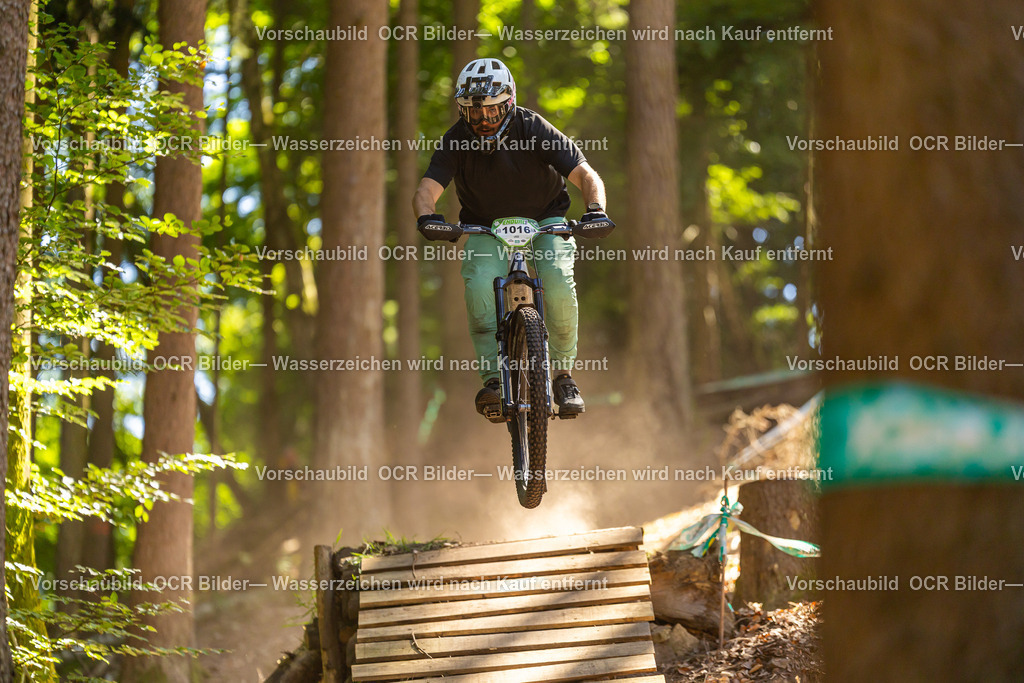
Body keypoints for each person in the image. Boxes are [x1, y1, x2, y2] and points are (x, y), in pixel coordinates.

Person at [412, 57, 613, 422]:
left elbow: (586, 174)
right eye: (474, 113)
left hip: (545, 218)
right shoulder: (456, 140)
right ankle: (493, 380)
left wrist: (595, 209)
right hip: (485, 227)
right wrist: (427, 216)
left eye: (492, 110)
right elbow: (427, 188)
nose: (484, 120)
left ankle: (563, 377)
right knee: (479, 289)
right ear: (462, 110)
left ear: (509, 103)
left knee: (557, 283)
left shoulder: (533, 126)